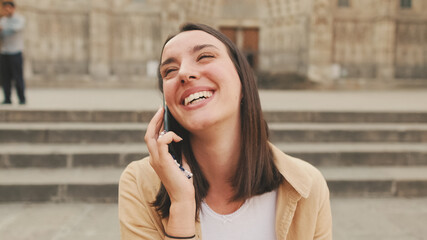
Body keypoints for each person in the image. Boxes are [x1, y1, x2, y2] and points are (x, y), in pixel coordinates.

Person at [119, 23, 332, 240]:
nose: (183, 73)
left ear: (243, 80)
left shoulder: (307, 185)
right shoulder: (140, 183)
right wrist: (181, 205)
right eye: (169, 71)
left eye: (204, 56)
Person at [0, 1, 26, 105]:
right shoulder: (3, 20)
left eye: (9, 8)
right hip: (4, 52)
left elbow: (15, 29)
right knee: (4, 77)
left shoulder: (20, 19)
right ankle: (7, 98)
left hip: (16, 52)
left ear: (13, 8)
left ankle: (22, 98)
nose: (7, 10)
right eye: (5, 8)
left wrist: (3, 30)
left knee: (17, 77)